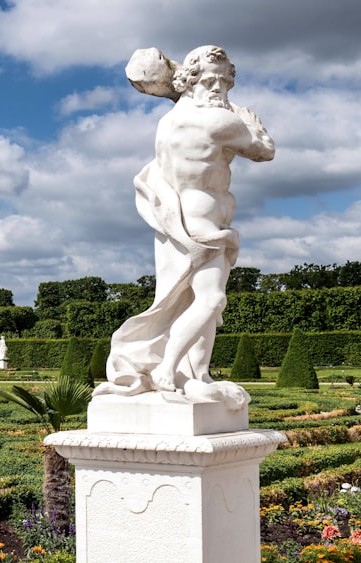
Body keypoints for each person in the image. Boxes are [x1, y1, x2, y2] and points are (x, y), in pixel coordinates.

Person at [98, 46, 274, 405]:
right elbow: (265, 150)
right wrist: (250, 118)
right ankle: (168, 369)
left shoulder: (170, 121)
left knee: (189, 302)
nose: (219, 89)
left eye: (225, 81)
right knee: (211, 300)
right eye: (210, 81)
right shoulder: (221, 121)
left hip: (175, 222)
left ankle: (197, 375)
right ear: (189, 81)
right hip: (203, 222)